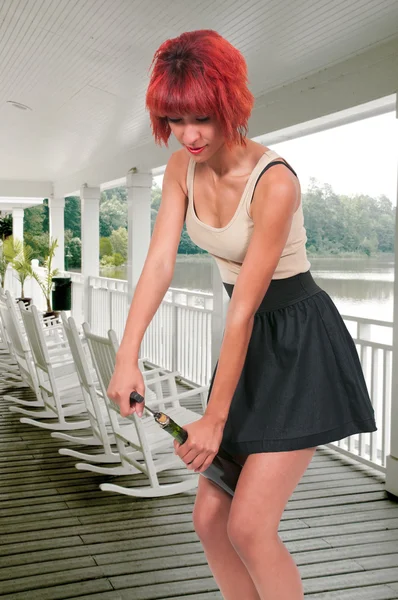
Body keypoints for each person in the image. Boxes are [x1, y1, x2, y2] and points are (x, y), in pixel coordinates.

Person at [107, 30, 377, 600]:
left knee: (250, 528)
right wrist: (126, 356)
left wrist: (214, 419)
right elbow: (158, 265)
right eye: (175, 121)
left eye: (200, 118)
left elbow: (245, 309)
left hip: (299, 343)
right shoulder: (183, 168)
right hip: (249, 344)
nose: (189, 135)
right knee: (209, 521)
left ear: (231, 103)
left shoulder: (274, 181)